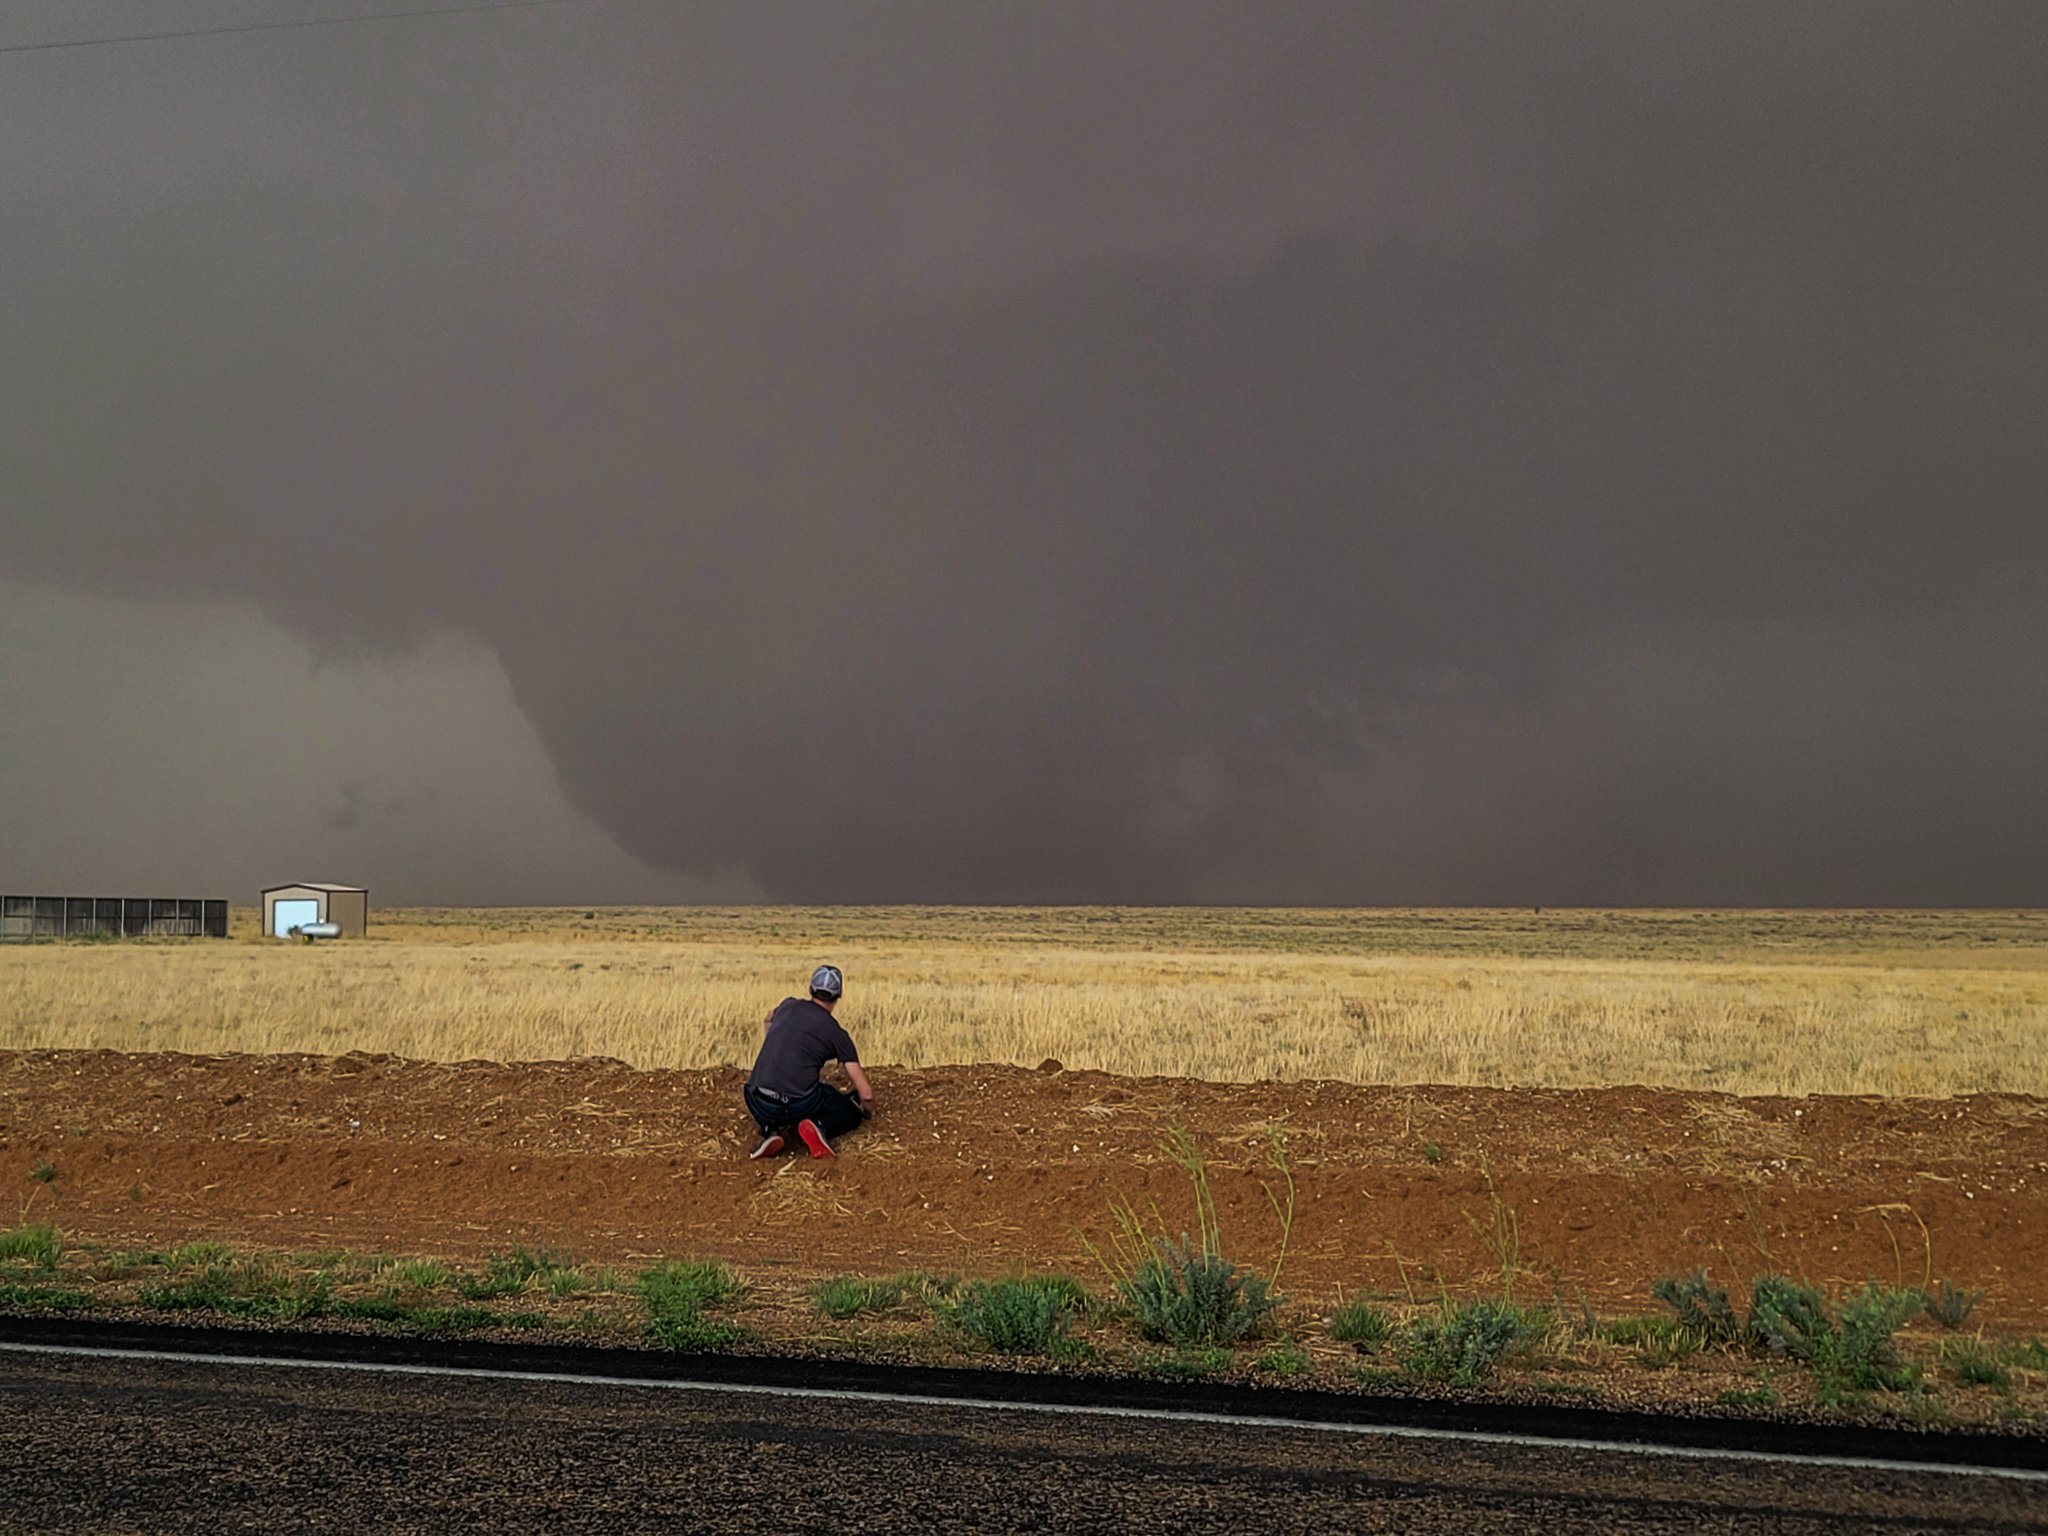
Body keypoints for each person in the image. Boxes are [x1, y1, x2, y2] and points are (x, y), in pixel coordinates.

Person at [743, 964, 872, 1159]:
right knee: (845, 1108)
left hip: (761, 1103)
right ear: (839, 995)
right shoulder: (836, 1033)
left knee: (752, 1089)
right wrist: (866, 1113)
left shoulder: (787, 1006)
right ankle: (819, 1126)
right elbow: (867, 1094)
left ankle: (770, 1130)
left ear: (810, 989)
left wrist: (774, 1048)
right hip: (800, 1106)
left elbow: (768, 1019)